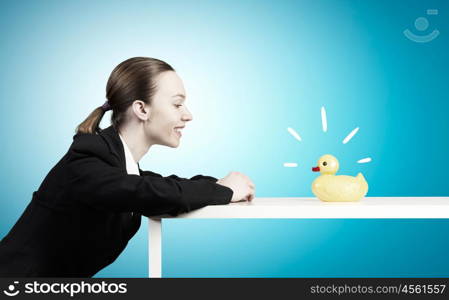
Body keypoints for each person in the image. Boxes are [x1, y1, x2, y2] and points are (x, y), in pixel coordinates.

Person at [0, 57, 255, 277]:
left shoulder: (119, 168)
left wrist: (218, 185)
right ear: (142, 109)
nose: (188, 115)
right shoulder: (87, 157)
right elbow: (145, 191)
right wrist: (225, 192)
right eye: (177, 104)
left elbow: (159, 184)